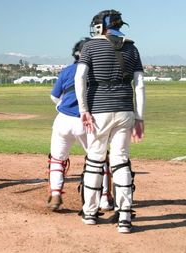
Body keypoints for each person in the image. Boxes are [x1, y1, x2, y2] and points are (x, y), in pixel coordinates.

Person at [74, 9, 145, 233]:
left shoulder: (90, 46)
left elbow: (80, 78)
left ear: (99, 26)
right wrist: (139, 116)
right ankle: (124, 217)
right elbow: (140, 85)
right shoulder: (132, 48)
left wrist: (83, 109)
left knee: (95, 161)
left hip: (99, 111)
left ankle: (90, 212)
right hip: (125, 110)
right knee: (121, 161)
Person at [47, 38, 113, 211]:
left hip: (63, 120)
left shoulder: (67, 71)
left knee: (57, 160)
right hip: (89, 122)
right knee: (99, 160)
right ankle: (105, 198)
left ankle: (55, 194)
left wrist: (64, 104)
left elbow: (54, 97)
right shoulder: (98, 72)